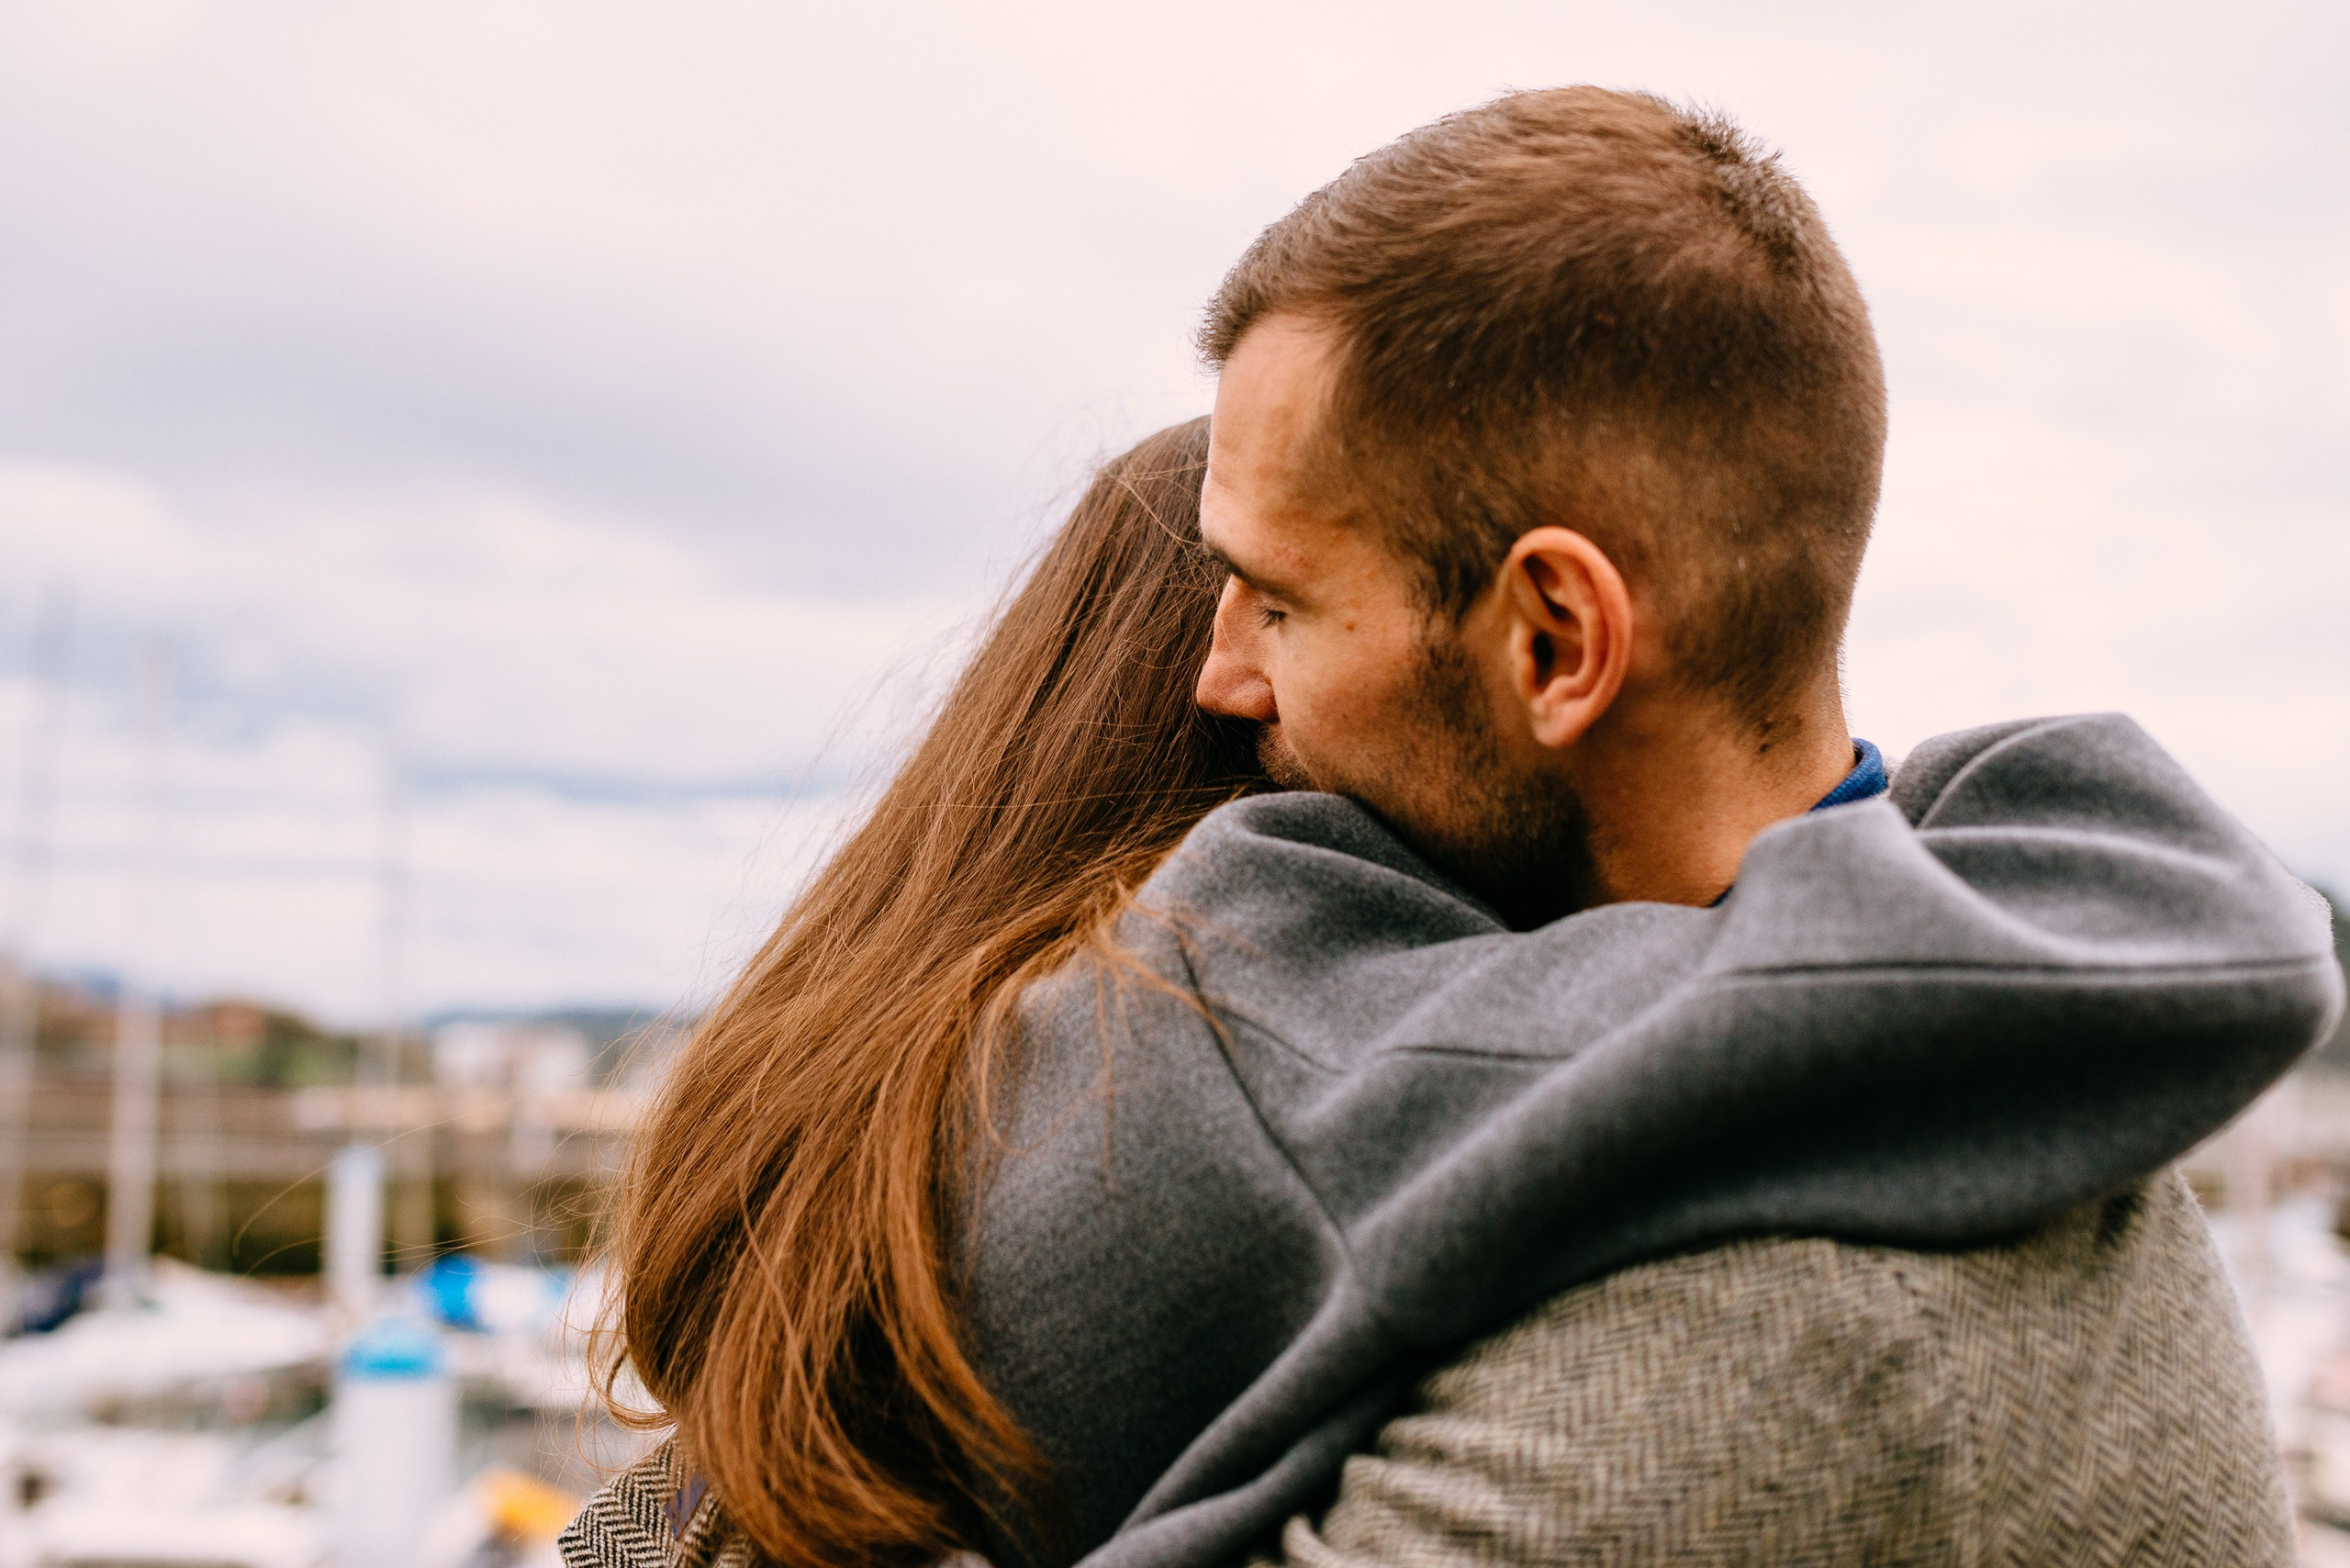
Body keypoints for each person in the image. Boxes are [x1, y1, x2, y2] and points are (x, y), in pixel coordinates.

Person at [564, 93, 2343, 1568]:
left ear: (1553, 640)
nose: (1217, 668)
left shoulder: (1775, 1346)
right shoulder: (1952, 1051)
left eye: (1274, 597)